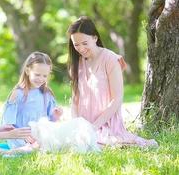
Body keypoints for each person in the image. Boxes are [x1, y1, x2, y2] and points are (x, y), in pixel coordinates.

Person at [67, 16, 158, 147]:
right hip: (83, 124)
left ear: (95, 38)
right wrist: (76, 125)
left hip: (105, 124)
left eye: (84, 43)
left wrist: (93, 127)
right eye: (76, 44)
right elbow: (75, 100)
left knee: (99, 144)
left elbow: (117, 99)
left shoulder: (111, 60)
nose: (80, 48)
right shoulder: (77, 63)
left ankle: (134, 144)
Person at [1, 51, 63, 149]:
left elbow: (50, 121)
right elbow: (7, 124)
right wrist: (22, 135)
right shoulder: (18, 93)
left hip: (40, 136)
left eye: (45, 76)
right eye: (37, 75)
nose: (41, 79)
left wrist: (56, 116)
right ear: (27, 71)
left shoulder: (46, 94)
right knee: (31, 148)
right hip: (21, 137)